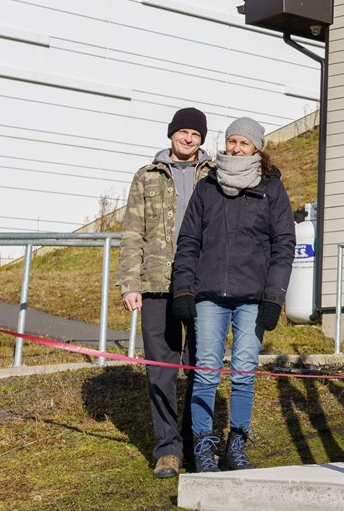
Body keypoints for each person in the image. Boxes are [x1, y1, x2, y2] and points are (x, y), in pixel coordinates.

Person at [171, 116, 295, 474]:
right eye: (232, 141)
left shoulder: (271, 188)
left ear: (257, 148)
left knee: (243, 374)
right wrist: (183, 289)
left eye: (244, 143)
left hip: (253, 299)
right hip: (209, 296)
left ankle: (236, 444)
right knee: (206, 372)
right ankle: (203, 447)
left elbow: (284, 244)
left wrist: (274, 297)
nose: (236, 148)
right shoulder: (207, 187)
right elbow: (189, 242)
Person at [115, 107, 213, 479]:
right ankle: (168, 449)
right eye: (183, 132)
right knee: (161, 371)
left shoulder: (216, 175)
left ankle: (195, 442)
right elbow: (131, 233)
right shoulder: (147, 176)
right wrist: (131, 284)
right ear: (171, 133)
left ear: (202, 139)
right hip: (156, 287)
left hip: (202, 287)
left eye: (196, 134)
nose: (189, 139)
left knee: (200, 367)